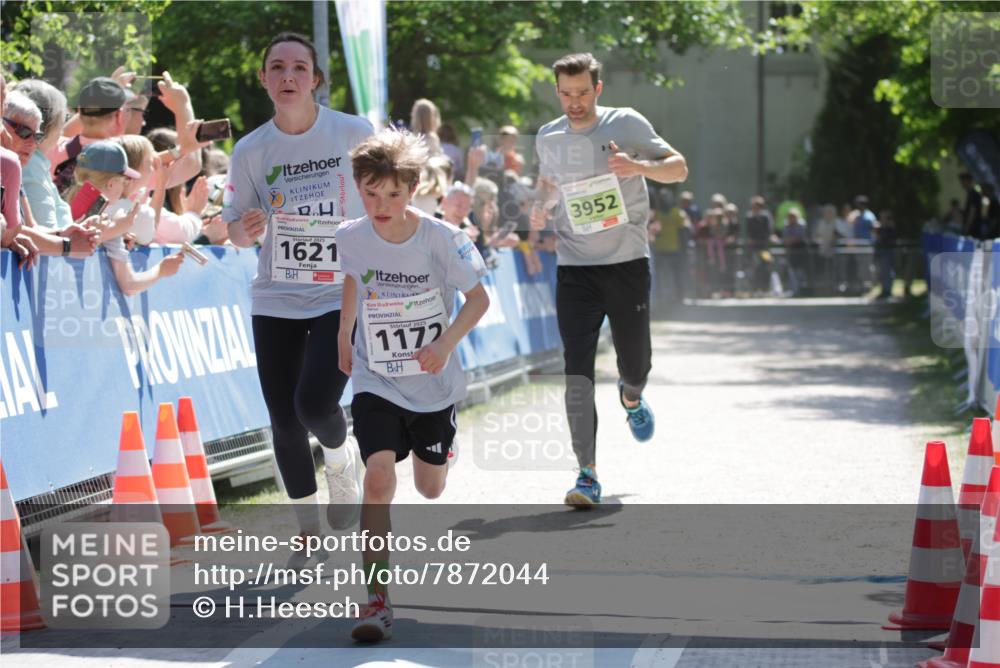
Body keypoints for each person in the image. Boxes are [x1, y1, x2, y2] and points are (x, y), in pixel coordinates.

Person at [336, 128, 489, 642]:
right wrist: (343, 331)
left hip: (431, 384)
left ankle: (444, 449)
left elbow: (479, 300)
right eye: (371, 194)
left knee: (429, 488)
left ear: (414, 188)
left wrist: (444, 345)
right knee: (378, 479)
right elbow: (354, 277)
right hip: (375, 377)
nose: (381, 205)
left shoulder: (441, 239)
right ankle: (376, 601)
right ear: (358, 187)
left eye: (393, 194)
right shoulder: (350, 236)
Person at [222, 32, 372, 539]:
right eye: (277, 68)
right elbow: (232, 227)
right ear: (263, 79)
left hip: (339, 291)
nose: (288, 76)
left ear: (315, 79)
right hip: (276, 296)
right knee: (284, 420)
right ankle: (308, 532)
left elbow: (383, 198)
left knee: (314, 406)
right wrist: (245, 229)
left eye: (299, 68)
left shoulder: (353, 132)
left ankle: (341, 456)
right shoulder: (250, 149)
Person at [530, 53, 687, 507]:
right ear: (557, 92)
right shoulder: (548, 136)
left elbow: (678, 167)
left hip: (625, 262)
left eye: (583, 92)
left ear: (597, 89)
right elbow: (549, 183)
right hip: (574, 266)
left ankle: (631, 397)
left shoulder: (627, 123)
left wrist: (639, 168)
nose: (574, 102)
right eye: (566, 94)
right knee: (576, 371)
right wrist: (541, 206)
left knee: (636, 365)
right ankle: (587, 474)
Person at [69, 141, 185, 295]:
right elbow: (129, 285)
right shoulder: (113, 220)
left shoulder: (64, 204)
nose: (126, 186)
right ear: (111, 184)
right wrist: (161, 270)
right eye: (125, 181)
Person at [873, 209, 897, 299]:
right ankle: (884, 290)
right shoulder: (880, 228)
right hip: (881, 253)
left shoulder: (890, 228)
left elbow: (889, 240)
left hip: (888, 252)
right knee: (882, 272)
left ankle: (887, 291)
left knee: (888, 272)